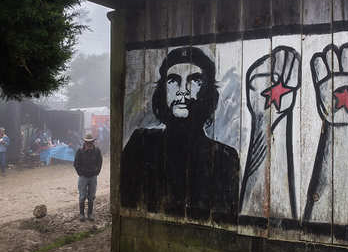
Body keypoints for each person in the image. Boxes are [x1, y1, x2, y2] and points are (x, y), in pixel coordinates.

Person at [121, 47, 239, 222]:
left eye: (194, 80)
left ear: (207, 91)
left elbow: (225, 219)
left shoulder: (225, 158)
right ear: (162, 91)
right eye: (173, 80)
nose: (182, 90)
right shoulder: (141, 143)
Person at [73, 132, 102, 221]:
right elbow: (76, 164)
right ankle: (82, 215)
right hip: (83, 177)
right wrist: (80, 173)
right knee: (82, 196)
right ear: (84, 142)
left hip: (93, 177)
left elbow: (100, 162)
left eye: (91, 142)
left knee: (91, 196)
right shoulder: (80, 151)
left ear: (93, 142)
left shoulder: (97, 151)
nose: (89, 144)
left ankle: (90, 214)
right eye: (87, 142)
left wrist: (97, 172)